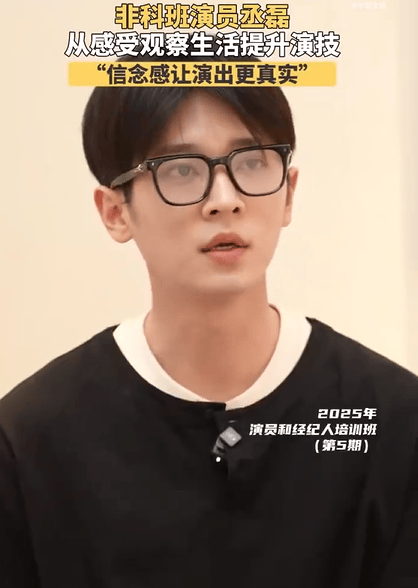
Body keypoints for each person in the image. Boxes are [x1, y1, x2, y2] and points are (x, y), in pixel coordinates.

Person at [1, 50, 418, 588]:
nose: (225, 199)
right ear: (115, 212)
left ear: (289, 192)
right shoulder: (30, 441)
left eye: (252, 162)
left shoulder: (393, 421)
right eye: (180, 170)